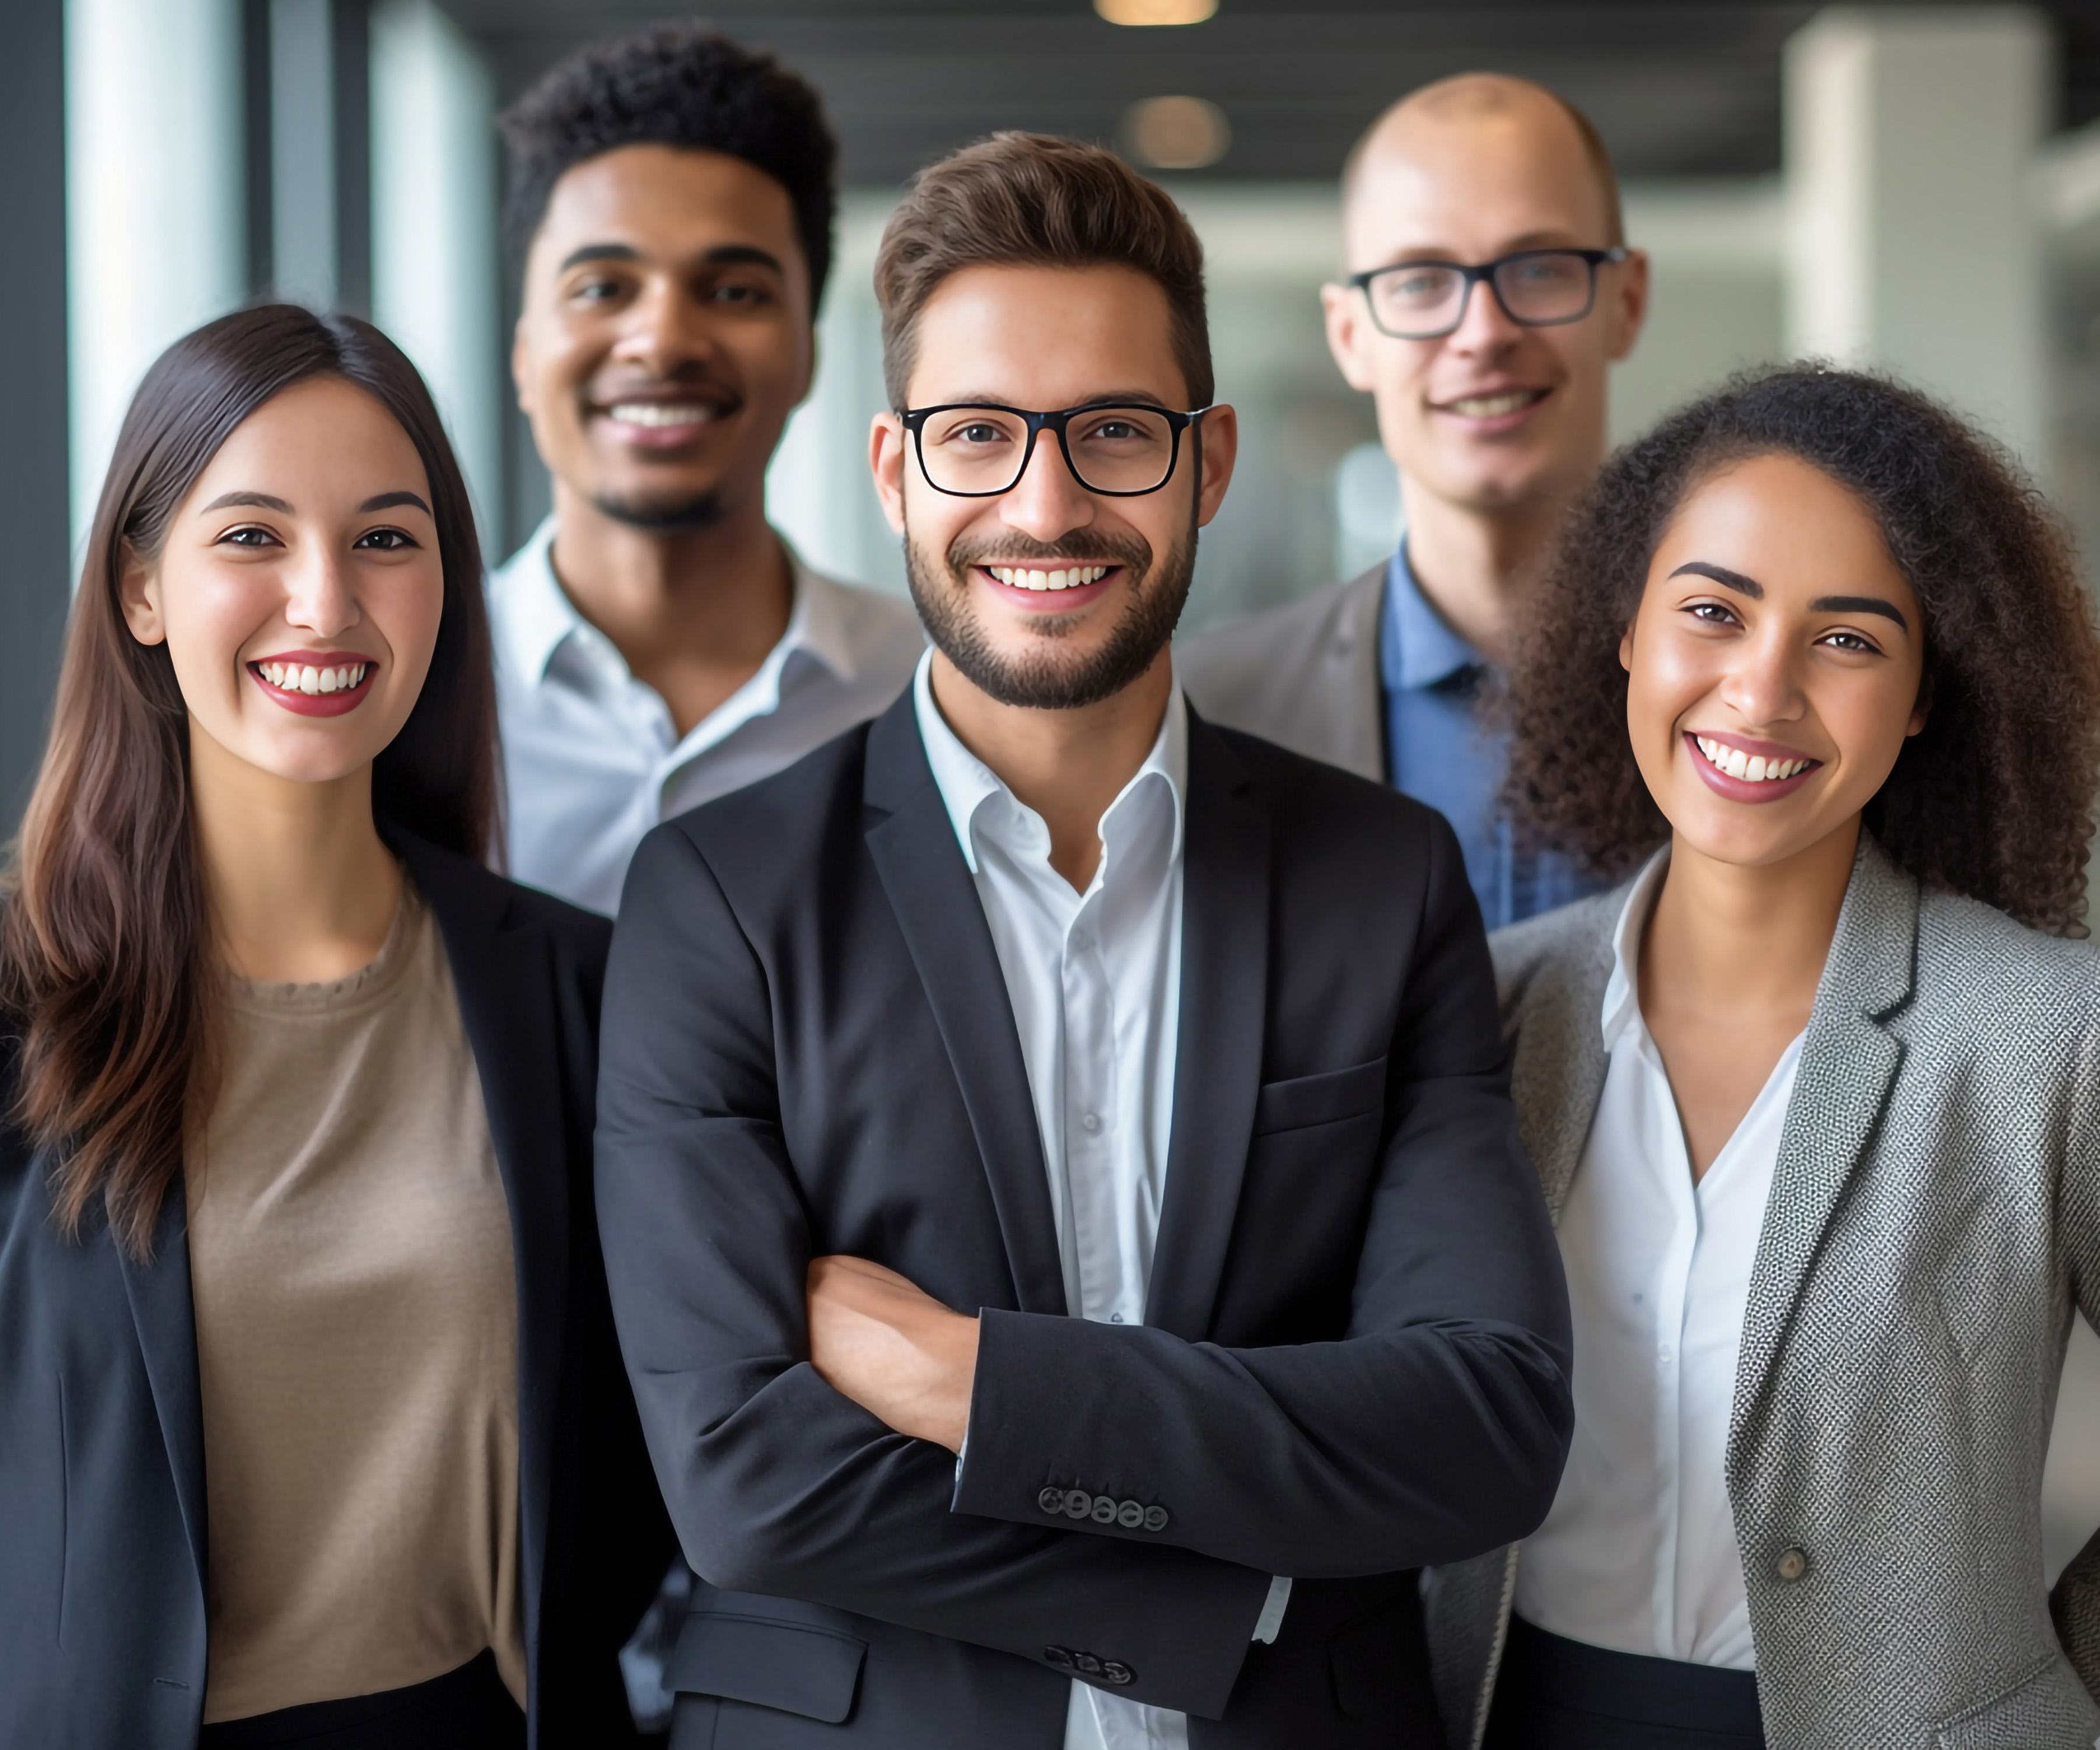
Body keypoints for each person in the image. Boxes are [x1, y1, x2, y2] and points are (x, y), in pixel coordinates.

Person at [594, 132, 1573, 1750]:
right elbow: (749, 1484)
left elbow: (1478, 1428)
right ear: (897, 468)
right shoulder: (717, 896)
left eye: (1114, 433)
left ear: (1209, 461)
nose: (1045, 505)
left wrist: (977, 1387)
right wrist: (1235, 1582)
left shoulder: (1379, 878)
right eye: (980, 435)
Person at [0, 305, 673, 1748]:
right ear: (140, 588)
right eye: (250, 537)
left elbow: (642, 1464)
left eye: (386, 538)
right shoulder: (20, 999)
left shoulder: (579, 991)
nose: (324, 602)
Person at [1425, 366, 2100, 1749]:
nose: (1763, 689)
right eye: (1713, 613)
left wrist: (2049, 1694)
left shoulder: (2050, 1035)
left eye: (1848, 641)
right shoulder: (1488, 1011)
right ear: (1627, 631)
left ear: (1924, 696)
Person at [1176, 73, 1647, 929]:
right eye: (1422, 281)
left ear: (1629, 301)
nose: (1483, 332)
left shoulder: (1754, 690)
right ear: (1350, 334)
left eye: (1539, 268)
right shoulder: (1200, 717)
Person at [494, 22, 923, 914]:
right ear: (527, 354)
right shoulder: (407, 696)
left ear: (807, 351)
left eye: (734, 292)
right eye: (603, 287)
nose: (663, 343)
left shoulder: (930, 703)